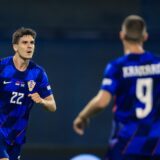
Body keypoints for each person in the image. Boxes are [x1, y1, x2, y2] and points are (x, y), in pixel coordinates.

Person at [73, 15, 160, 160]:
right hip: (155, 144)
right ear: (145, 36)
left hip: (127, 144)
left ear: (122, 35)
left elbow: (102, 102)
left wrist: (82, 117)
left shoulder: (117, 66)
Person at [0, 27, 56, 160]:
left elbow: (53, 106)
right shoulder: (2, 68)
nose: (29, 46)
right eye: (24, 42)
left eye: (32, 43)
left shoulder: (38, 74)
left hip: (16, 135)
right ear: (15, 47)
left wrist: (42, 101)